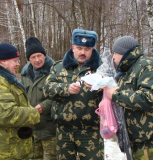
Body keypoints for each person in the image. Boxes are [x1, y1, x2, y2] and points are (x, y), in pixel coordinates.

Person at [105, 36, 153, 160]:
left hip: (151, 142)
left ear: (125, 53)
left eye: (115, 53)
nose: (113, 57)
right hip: (138, 142)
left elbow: (150, 98)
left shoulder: (147, 67)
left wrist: (116, 94)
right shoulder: (130, 70)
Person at [43, 29, 104, 160]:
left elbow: (113, 93)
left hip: (90, 132)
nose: (82, 52)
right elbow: (47, 89)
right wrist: (66, 89)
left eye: (87, 49)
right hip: (64, 132)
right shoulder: (58, 67)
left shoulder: (101, 69)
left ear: (92, 50)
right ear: (72, 48)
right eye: (79, 48)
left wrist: (99, 87)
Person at [0, 42, 40, 160]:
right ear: (4, 61)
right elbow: (6, 114)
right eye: (15, 60)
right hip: (6, 149)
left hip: (5, 145)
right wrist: (34, 113)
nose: (18, 64)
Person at [21, 37, 56, 160]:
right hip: (33, 128)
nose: (37, 60)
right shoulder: (24, 75)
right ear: (28, 59)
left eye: (39, 55)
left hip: (50, 129)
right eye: (33, 57)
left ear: (44, 55)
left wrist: (44, 106)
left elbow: (60, 96)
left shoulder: (55, 71)